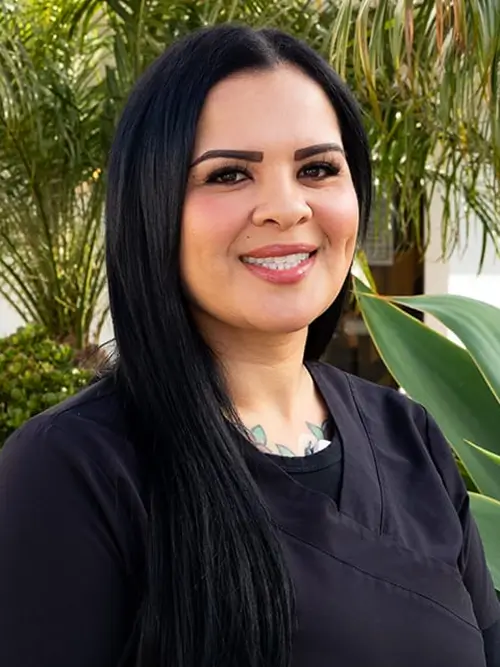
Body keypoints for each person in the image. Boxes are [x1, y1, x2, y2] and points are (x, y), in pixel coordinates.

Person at [0, 24, 498, 667]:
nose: (286, 208)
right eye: (230, 174)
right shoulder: (76, 469)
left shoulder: (411, 440)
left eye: (318, 168)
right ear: (152, 205)